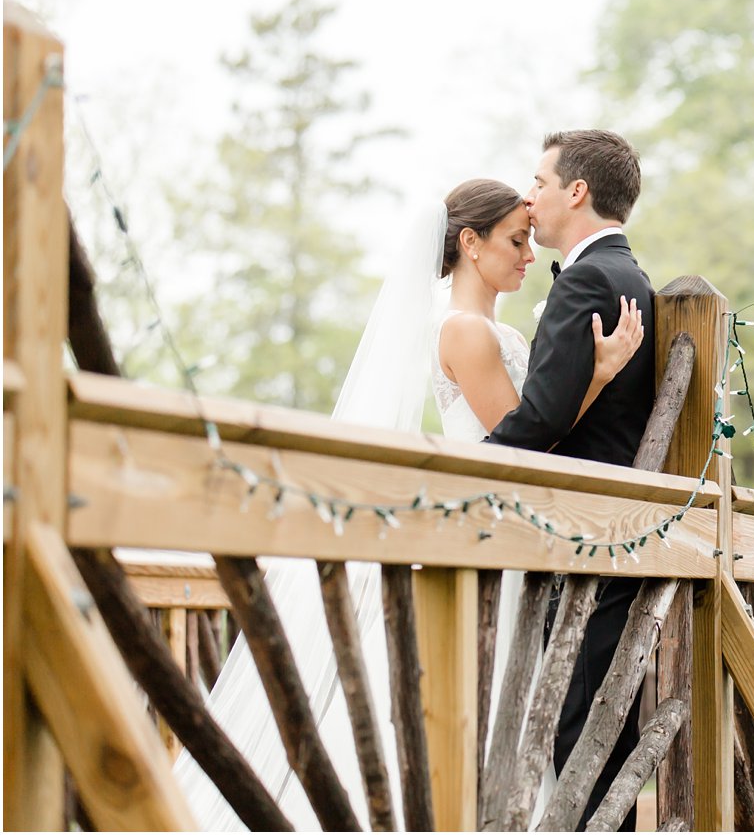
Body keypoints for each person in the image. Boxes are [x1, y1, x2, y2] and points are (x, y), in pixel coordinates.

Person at [173, 177, 643, 830]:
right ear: (470, 244)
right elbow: (528, 438)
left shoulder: (476, 328)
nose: (528, 255)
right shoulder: (467, 333)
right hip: (495, 539)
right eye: (514, 241)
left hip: (507, 537)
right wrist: (599, 374)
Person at [487, 130, 656, 832]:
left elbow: (544, 416)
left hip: (588, 534)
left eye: (539, 180)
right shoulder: (628, 274)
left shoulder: (589, 278)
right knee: (592, 733)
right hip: (614, 531)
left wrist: (477, 464)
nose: (530, 196)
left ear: (576, 191)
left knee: (579, 732)